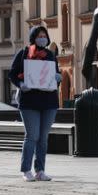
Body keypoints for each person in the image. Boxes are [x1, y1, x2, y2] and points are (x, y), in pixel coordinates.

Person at [9, 26, 61, 182]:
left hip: (49, 101)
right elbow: (12, 74)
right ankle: (26, 170)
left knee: (43, 138)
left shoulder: (51, 55)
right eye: (39, 35)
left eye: (44, 35)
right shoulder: (24, 53)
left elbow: (54, 76)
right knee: (32, 136)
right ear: (33, 37)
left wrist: (57, 78)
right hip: (29, 101)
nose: (42, 38)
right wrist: (21, 84)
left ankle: (40, 170)